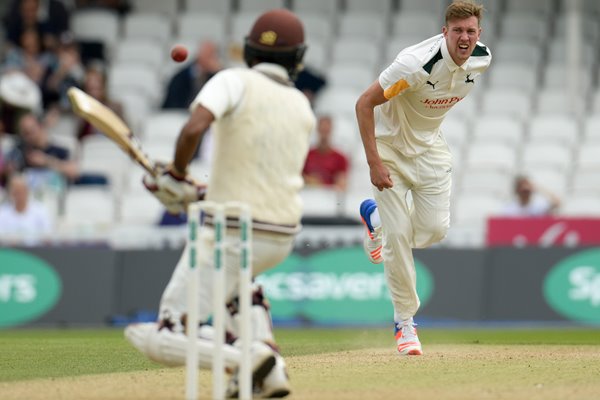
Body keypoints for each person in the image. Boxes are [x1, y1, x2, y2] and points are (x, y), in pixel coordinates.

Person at [124, 9, 315, 398]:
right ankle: (269, 366)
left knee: (161, 335)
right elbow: (257, 177)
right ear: (298, 57)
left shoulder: (232, 80)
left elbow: (195, 126)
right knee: (237, 291)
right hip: (278, 235)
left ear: (248, 50)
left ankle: (249, 360)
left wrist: (176, 175)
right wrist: (195, 191)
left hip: (230, 232)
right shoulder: (301, 105)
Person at [355, 0, 492, 356]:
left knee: (433, 231)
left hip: (431, 152)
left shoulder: (482, 58)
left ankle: (375, 220)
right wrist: (373, 162)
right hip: (390, 153)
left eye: (470, 31)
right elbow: (364, 103)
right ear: (444, 31)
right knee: (399, 237)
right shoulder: (414, 65)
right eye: (457, 30)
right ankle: (405, 323)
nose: (464, 38)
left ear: (479, 34)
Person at [161, 40, 223, 110]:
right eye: (205, 54)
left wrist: (219, 73)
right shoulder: (181, 76)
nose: (208, 58)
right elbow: (172, 102)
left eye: (211, 55)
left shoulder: (217, 76)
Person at [0, 173, 53, 246]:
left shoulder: (40, 210)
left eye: (22, 191)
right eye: (16, 192)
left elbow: (48, 236)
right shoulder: (2, 212)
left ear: (27, 191)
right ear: (10, 193)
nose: (19, 195)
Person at [302, 115, 349, 191]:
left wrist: (321, 184)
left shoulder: (340, 158)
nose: (324, 134)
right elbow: (298, 178)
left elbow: (341, 184)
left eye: (326, 131)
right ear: (318, 130)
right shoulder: (307, 155)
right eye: (322, 130)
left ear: (331, 131)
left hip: (329, 199)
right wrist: (309, 180)